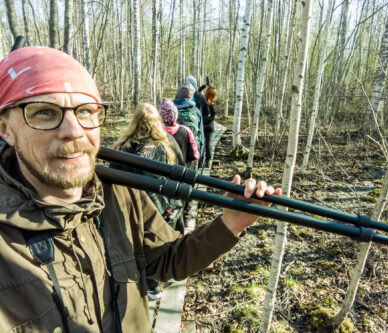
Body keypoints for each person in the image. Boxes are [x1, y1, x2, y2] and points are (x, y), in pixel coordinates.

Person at [0, 46, 280, 332]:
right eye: (45, 112)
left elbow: (168, 259)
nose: (73, 130)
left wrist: (231, 222)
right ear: (5, 128)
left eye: (85, 111)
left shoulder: (118, 192)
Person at [112, 102, 185, 301]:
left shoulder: (123, 147)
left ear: (134, 121)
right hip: (166, 206)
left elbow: (112, 181)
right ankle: (169, 273)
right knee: (167, 241)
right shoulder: (168, 142)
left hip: (134, 209)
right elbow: (182, 168)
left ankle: (152, 286)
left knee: (143, 247)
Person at [160, 98, 199, 167]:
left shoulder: (158, 132)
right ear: (176, 115)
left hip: (163, 172)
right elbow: (195, 155)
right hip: (181, 172)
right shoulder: (186, 130)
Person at [174, 83, 204, 164]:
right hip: (191, 157)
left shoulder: (171, 110)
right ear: (191, 96)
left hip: (172, 154)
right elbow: (201, 136)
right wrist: (199, 156)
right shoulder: (196, 112)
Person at [199, 85, 216, 167]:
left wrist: (203, 87)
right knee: (208, 144)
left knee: (201, 142)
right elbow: (213, 116)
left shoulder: (202, 100)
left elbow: (197, 93)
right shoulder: (212, 102)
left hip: (202, 125)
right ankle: (208, 161)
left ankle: (201, 161)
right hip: (210, 126)